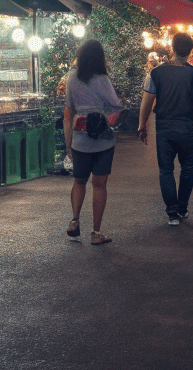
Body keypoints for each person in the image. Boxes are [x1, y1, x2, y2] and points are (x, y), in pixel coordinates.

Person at [138, 31, 193, 225]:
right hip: (188, 129)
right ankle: (182, 208)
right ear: (190, 51)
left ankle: (172, 213)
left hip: (164, 129)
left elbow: (146, 102)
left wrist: (142, 126)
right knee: (187, 170)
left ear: (172, 48)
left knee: (166, 171)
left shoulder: (155, 73)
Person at [64, 39, 121, 245]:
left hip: (79, 139)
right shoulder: (102, 80)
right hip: (103, 139)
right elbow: (115, 105)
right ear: (100, 58)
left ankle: (74, 221)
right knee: (99, 185)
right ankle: (96, 233)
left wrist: (68, 142)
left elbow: (69, 110)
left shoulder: (72, 79)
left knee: (79, 181)